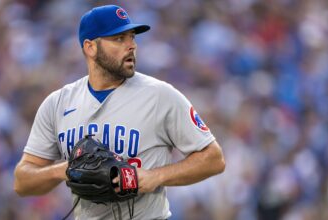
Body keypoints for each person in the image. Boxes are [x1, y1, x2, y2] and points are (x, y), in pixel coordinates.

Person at [14, 4, 225, 220]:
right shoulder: (57, 103)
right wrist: (62, 170)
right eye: (118, 39)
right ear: (90, 47)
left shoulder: (160, 95)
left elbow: (213, 158)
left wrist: (155, 176)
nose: (131, 46)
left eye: (132, 37)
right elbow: (22, 182)